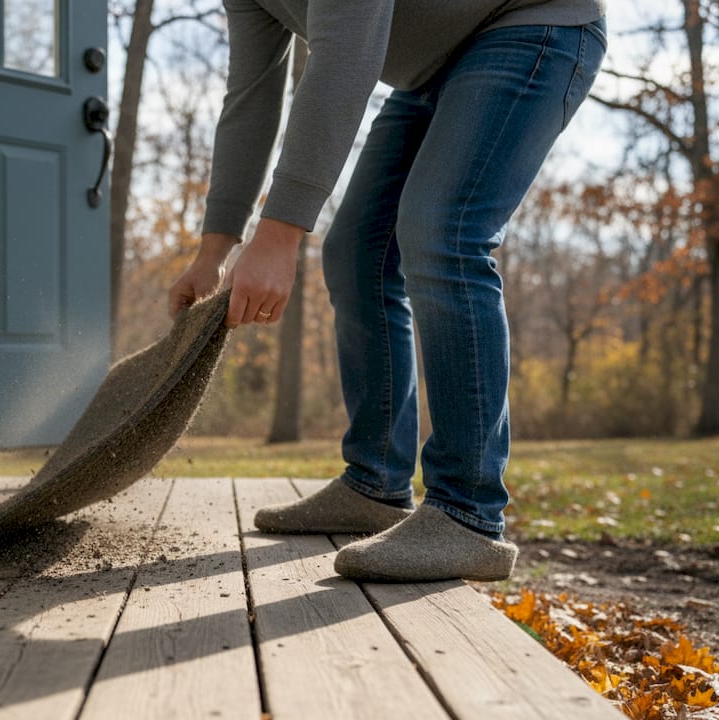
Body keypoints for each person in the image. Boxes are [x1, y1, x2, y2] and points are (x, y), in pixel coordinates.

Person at [167, 1, 607, 582]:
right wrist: (215, 248)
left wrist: (277, 234)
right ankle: (375, 482)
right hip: (431, 70)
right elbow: (251, 95)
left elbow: (346, 55)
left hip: (533, 24)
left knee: (443, 232)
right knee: (355, 253)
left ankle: (468, 514)